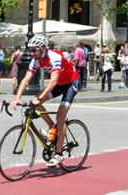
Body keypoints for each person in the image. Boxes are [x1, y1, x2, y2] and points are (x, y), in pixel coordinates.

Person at [9, 34, 80, 167]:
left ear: (43, 48)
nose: (31, 53)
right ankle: (52, 127)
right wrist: (17, 98)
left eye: (34, 50)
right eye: (30, 50)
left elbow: (53, 81)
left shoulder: (55, 57)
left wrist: (40, 98)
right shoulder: (35, 60)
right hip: (59, 84)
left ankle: (59, 154)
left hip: (71, 83)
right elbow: (26, 80)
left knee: (60, 117)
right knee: (34, 103)